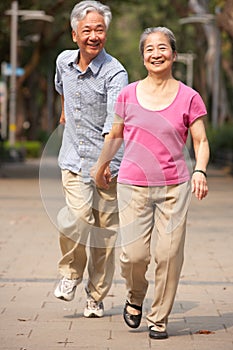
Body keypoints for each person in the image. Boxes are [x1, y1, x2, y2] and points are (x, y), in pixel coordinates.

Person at [93, 27, 209, 337]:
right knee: (134, 255)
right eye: (149, 49)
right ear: (143, 56)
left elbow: (200, 140)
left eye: (162, 48)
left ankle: (159, 318)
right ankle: (134, 297)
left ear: (173, 54)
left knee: (169, 255)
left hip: (174, 186)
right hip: (132, 184)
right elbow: (116, 134)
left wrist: (200, 170)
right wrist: (102, 164)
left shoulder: (189, 97)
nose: (156, 53)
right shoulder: (128, 94)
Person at [53, 0, 128, 318]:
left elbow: (115, 125)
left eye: (100, 29)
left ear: (106, 33)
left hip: (108, 163)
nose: (94, 35)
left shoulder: (115, 72)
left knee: (104, 234)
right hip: (73, 158)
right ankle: (70, 274)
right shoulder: (62, 62)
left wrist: (103, 168)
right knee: (77, 218)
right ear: (74, 35)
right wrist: (64, 112)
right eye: (87, 30)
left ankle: (96, 297)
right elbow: (62, 89)